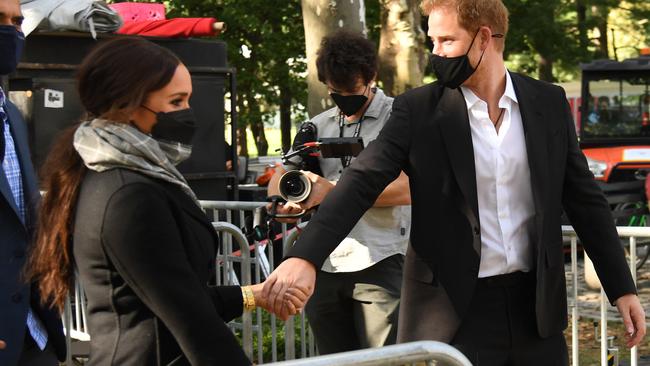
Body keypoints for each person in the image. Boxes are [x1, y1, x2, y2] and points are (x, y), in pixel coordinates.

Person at [263, 0, 646, 364]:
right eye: (432, 41)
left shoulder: (547, 102)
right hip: (456, 313)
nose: (437, 53)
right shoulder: (418, 110)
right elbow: (361, 182)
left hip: (537, 311)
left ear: (484, 38)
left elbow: (585, 200)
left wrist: (622, 288)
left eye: (447, 40)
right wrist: (305, 256)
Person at [26, 37, 307, 366]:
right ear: (127, 105)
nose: (189, 113)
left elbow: (171, 292)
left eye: (188, 99)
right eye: (176, 101)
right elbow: (192, 321)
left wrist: (253, 295)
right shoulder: (129, 195)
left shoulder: (127, 176)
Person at [267, 30, 411, 354]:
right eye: (335, 90)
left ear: (371, 77)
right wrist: (290, 201)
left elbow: (408, 188)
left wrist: (330, 192)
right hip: (325, 263)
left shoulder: (399, 118)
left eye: (352, 90)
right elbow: (281, 177)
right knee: (333, 360)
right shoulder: (317, 126)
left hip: (383, 259)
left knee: (386, 361)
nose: (344, 97)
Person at [0, 0, 66, 364]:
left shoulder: (10, 114)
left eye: (17, 21)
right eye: (0, 20)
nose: (11, 31)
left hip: (34, 333)